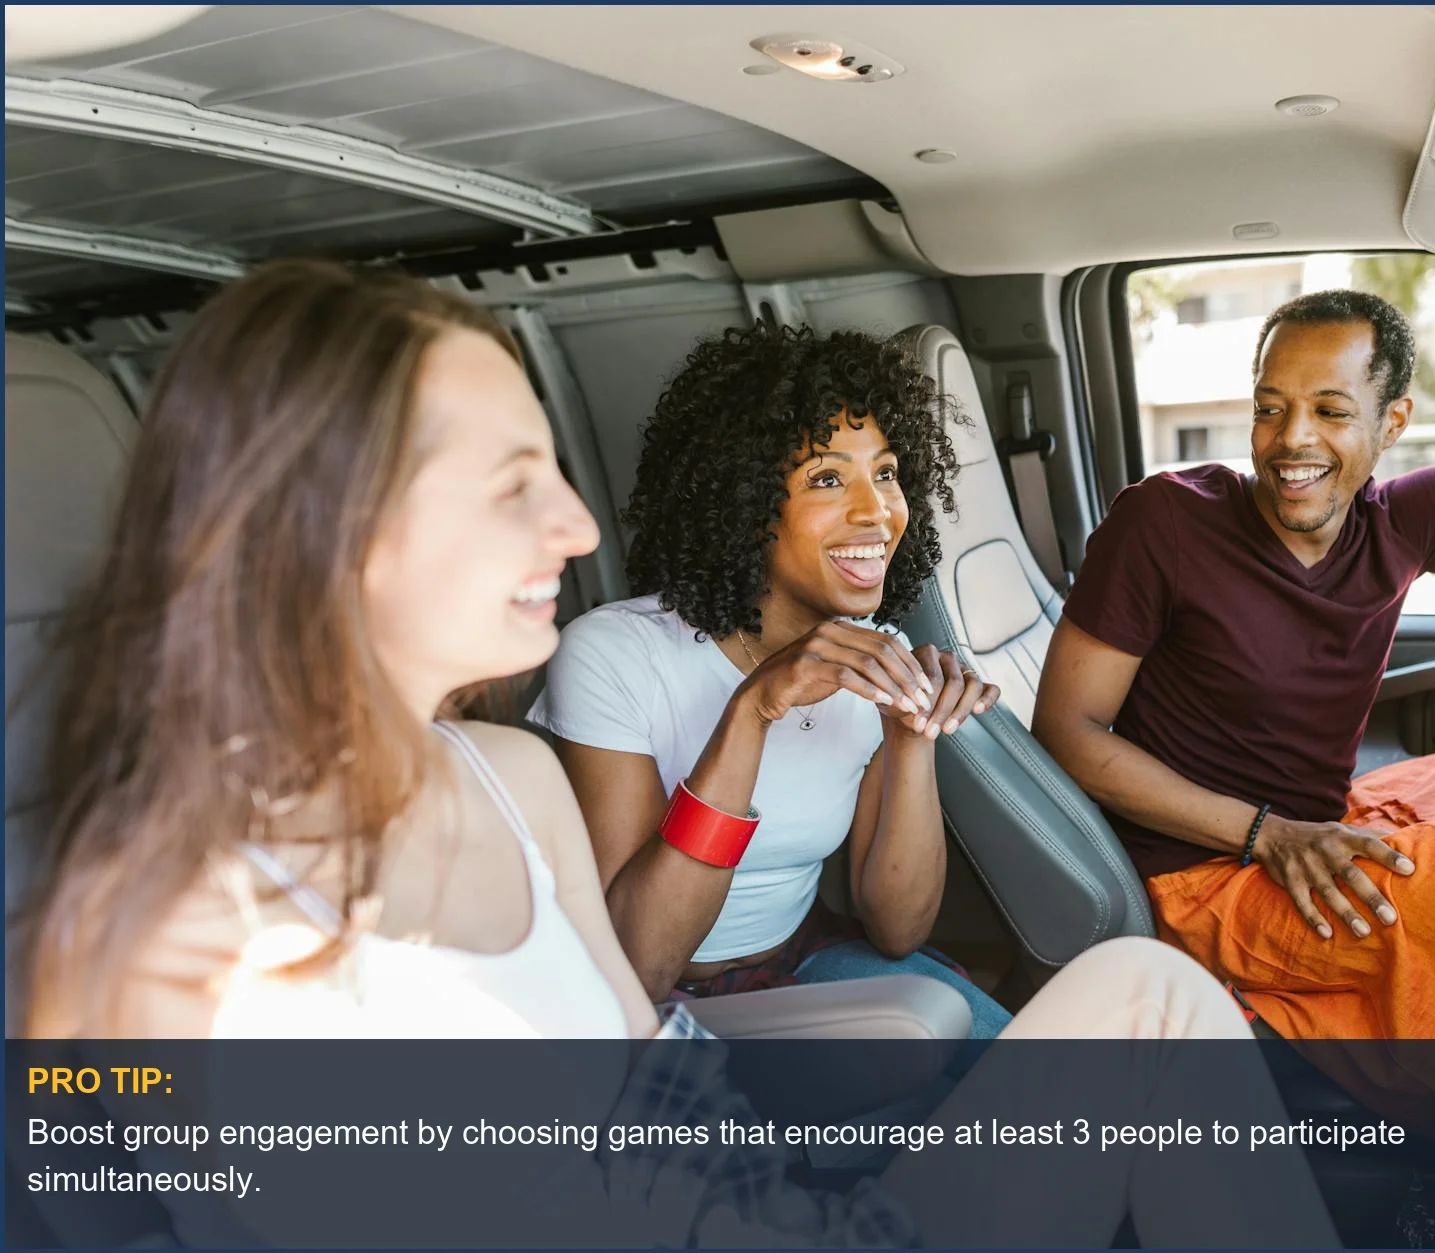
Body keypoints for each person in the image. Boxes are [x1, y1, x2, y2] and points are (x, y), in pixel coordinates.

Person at [18, 261, 1335, 1247]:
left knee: (1144, 994)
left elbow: (675, 1076)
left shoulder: (509, 778)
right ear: (315, 518)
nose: (577, 522)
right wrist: (751, 718)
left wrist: (906, 742)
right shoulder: (173, 927)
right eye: (507, 479)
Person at [1033, 289, 1435, 1076]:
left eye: (1331, 411)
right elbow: (1067, 732)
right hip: (1202, 877)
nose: (1290, 440)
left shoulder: (1404, 520)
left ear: (1393, 423)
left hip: (1318, 824)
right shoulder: (1165, 523)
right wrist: (1264, 831)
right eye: (1270, 408)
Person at [529, 323, 1011, 1037]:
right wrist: (752, 710)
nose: (877, 510)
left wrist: (911, 740)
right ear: (745, 504)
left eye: (885, 472)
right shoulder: (611, 654)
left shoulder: (878, 655)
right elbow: (640, 960)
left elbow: (898, 930)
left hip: (807, 963)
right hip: (650, 1008)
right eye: (826, 478)